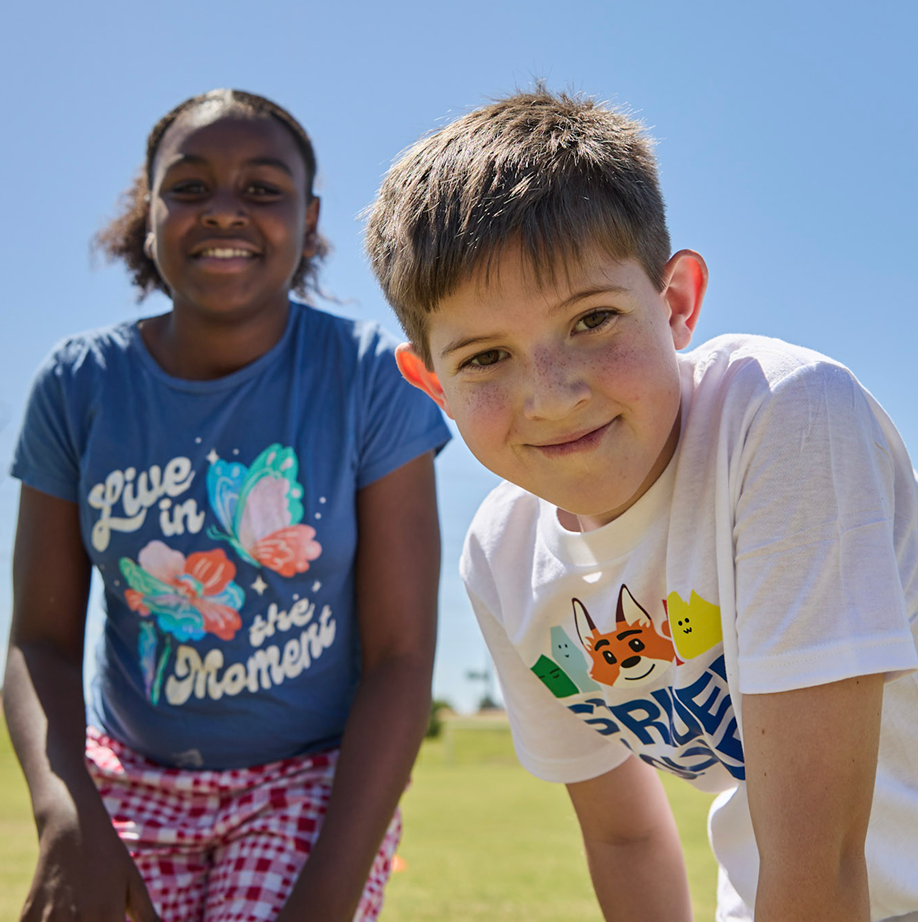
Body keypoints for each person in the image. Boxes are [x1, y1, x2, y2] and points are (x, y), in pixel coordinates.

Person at [363, 87, 918, 922]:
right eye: (485, 358)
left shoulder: (785, 417)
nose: (549, 397)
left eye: (592, 319)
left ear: (677, 303)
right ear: (432, 383)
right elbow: (623, 838)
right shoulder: (503, 557)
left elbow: (824, 856)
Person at [5, 88, 450, 922]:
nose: (223, 211)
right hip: (125, 783)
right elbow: (39, 641)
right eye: (190, 186)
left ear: (309, 219)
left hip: (307, 787)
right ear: (148, 211)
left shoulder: (367, 378)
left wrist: (329, 889)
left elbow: (399, 656)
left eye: (261, 189)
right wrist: (69, 820)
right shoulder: (78, 388)